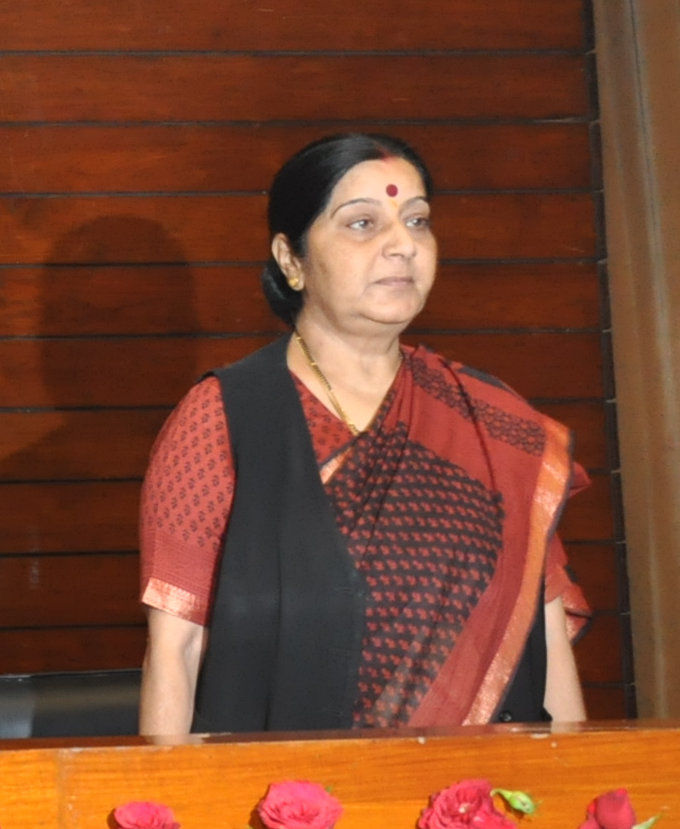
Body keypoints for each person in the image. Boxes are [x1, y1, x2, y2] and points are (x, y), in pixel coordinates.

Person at [138, 133, 586, 733]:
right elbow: (176, 649)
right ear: (291, 258)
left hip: (485, 799)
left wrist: (578, 783)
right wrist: (169, 808)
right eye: (363, 223)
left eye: (418, 220)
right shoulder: (225, 417)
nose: (403, 245)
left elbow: (544, 625)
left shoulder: (492, 421)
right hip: (293, 803)